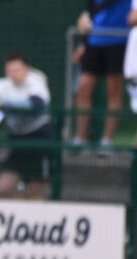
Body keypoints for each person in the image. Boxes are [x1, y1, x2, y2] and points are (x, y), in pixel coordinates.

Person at [0, 51, 52, 200]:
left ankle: (33, 218)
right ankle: (21, 212)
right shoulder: (2, 84)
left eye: (17, 70)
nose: (13, 74)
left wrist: (2, 103)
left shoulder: (36, 81)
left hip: (38, 141)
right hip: (16, 142)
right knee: (3, 188)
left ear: (27, 69)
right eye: (10, 70)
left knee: (37, 191)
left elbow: (35, 105)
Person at [73, 0, 130, 152]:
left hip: (119, 40)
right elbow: (90, 11)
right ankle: (80, 140)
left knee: (113, 91)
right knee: (83, 89)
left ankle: (106, 142)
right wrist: (84, 43)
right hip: (94, 42)